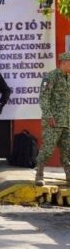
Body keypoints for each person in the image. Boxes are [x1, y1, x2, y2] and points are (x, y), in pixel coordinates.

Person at [35, 52, 70, 187]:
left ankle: (68, 176)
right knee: (48, 148)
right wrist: (49, 115)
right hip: (53, 121)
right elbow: (44, 98)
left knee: (68, 150)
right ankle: (39, 174)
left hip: (67, 121)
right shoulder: (51, 77)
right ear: (64, 62)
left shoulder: (68, 77)